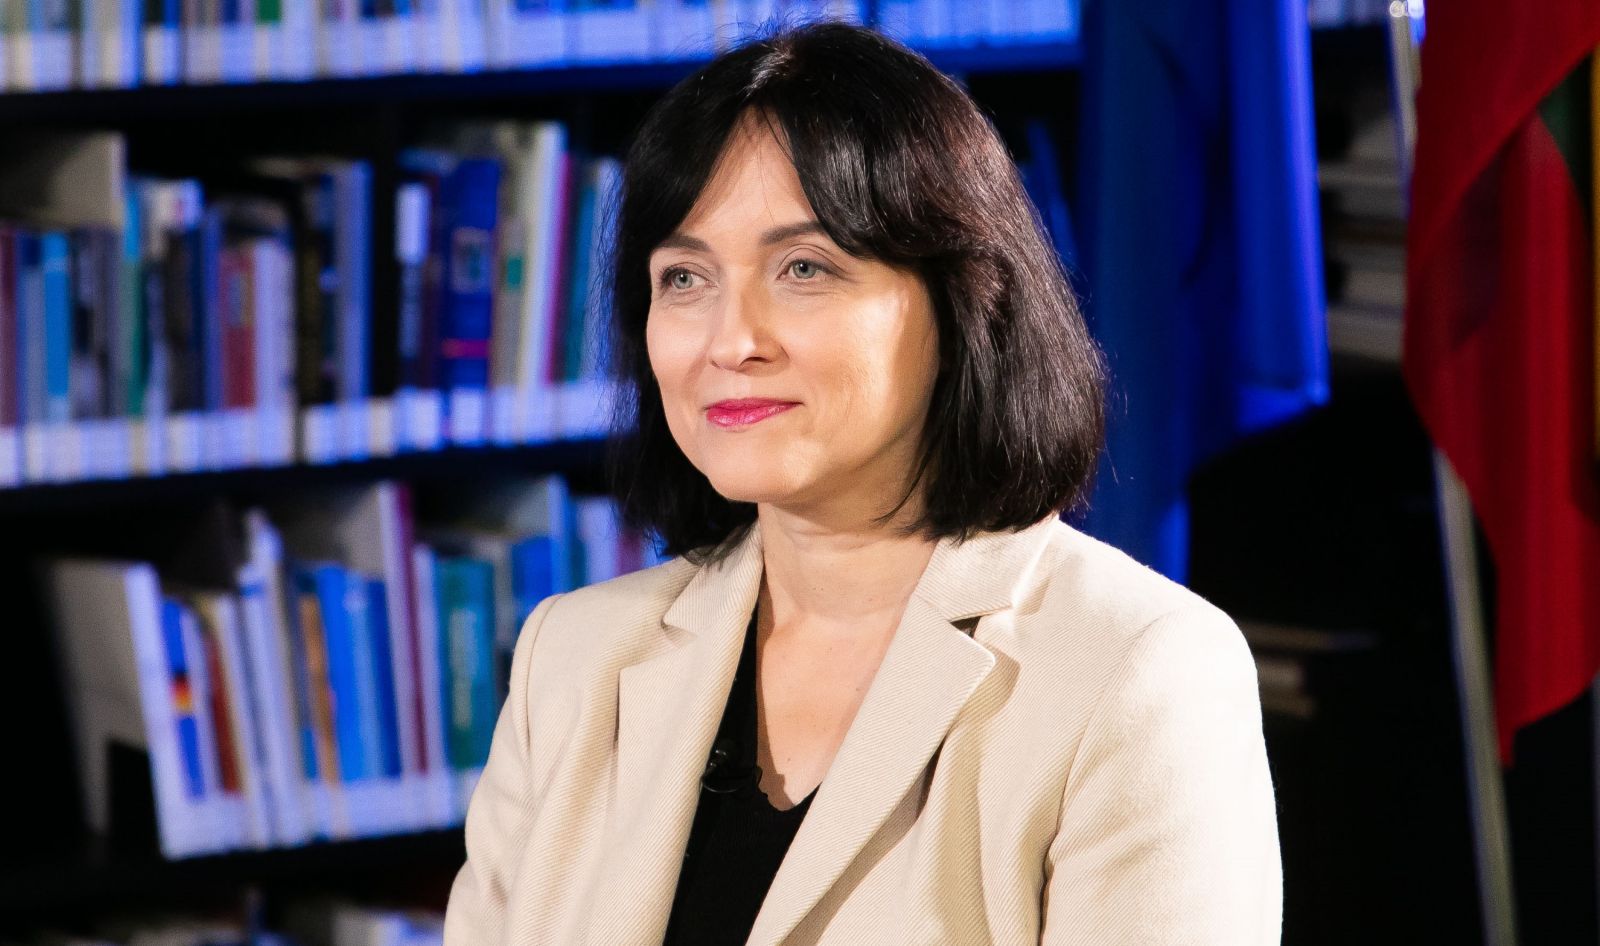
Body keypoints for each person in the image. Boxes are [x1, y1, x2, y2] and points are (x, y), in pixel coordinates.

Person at [443, 20, 1280, 946]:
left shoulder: (1139, 673)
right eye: (684, 278)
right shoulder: (573, 659)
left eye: (804, 268)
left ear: (962, 300)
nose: (731, 340)